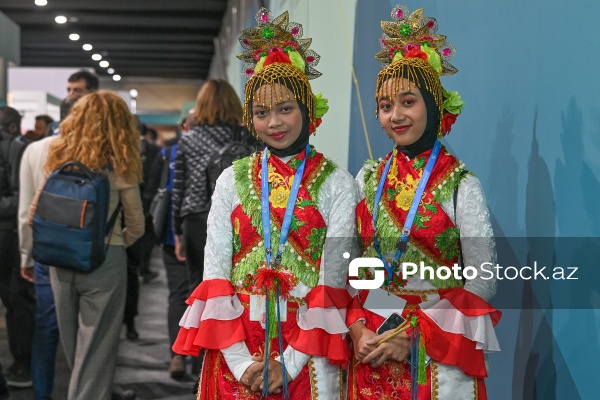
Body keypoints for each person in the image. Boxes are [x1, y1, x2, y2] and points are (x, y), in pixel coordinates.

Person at [172, 8, 356, 399]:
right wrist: (242, 362)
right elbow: (215, 271)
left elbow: (332, 280)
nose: (273, 122)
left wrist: (287, 365)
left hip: (308, 345)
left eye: (285, 109)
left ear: (308, 111)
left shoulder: (338, 183)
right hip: (236, 341)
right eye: (261, 112)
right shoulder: (231, 179)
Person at [347, 5, 501, 400]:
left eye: (408, 102)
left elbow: (482, 281)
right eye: (385, 106)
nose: (395, 116)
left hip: (439, 352)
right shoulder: (367, 178)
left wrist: (414, 337)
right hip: (372, 344)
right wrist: (358, 327)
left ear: (433, 105)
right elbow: (353, 264)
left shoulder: (460, 185)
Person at [40, 91, 144, 400]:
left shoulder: (57, 155)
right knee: (95, 354)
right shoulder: (121, 161)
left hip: (59, 259)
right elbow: (137, 224)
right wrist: (114, 243)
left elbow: (37, 210)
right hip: (103, 261)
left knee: (75, 351)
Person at [0, 106, 35, 389]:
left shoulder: (17, 149)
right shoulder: (20, 148)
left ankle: (22, 363)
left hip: (10, 237)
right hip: (11, 236)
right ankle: (22, 363)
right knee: (17, 303)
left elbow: (20, 199)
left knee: (17, 302)